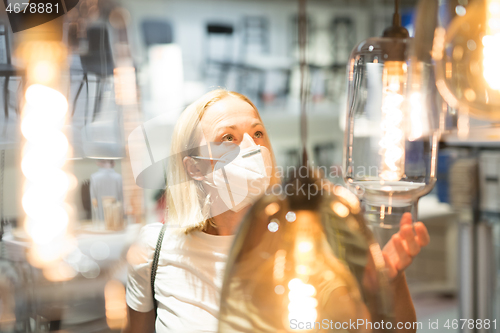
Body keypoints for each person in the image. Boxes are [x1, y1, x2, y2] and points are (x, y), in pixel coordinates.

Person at [122, 90, 430, 333]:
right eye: (228, 138)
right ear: (195, 168)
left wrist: (389, 281)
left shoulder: (310, 241)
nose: (251, 148)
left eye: (257, 134)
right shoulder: (155, 251)